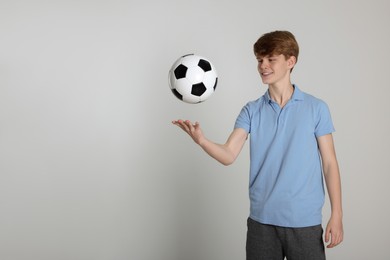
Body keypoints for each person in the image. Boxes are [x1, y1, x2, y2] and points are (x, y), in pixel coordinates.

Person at [172, 30, 343, 259]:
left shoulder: (316, 108)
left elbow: (330, 163)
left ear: (290, 61)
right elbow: (229, 154)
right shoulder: (251, 110)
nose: (263, 65)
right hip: (261, 222)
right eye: (259, 60)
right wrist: (202, 141)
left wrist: (337, 214)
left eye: (271, 59)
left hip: (304, 222)